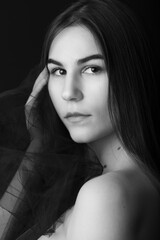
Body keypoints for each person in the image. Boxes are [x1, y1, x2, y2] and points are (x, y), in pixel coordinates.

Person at [0, 0, 160, 239]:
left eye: (92, 69)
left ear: (129, 74)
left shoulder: (104, 195)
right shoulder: (133, 181)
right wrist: (39, 145)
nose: (68, 92)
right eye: (59, 71)